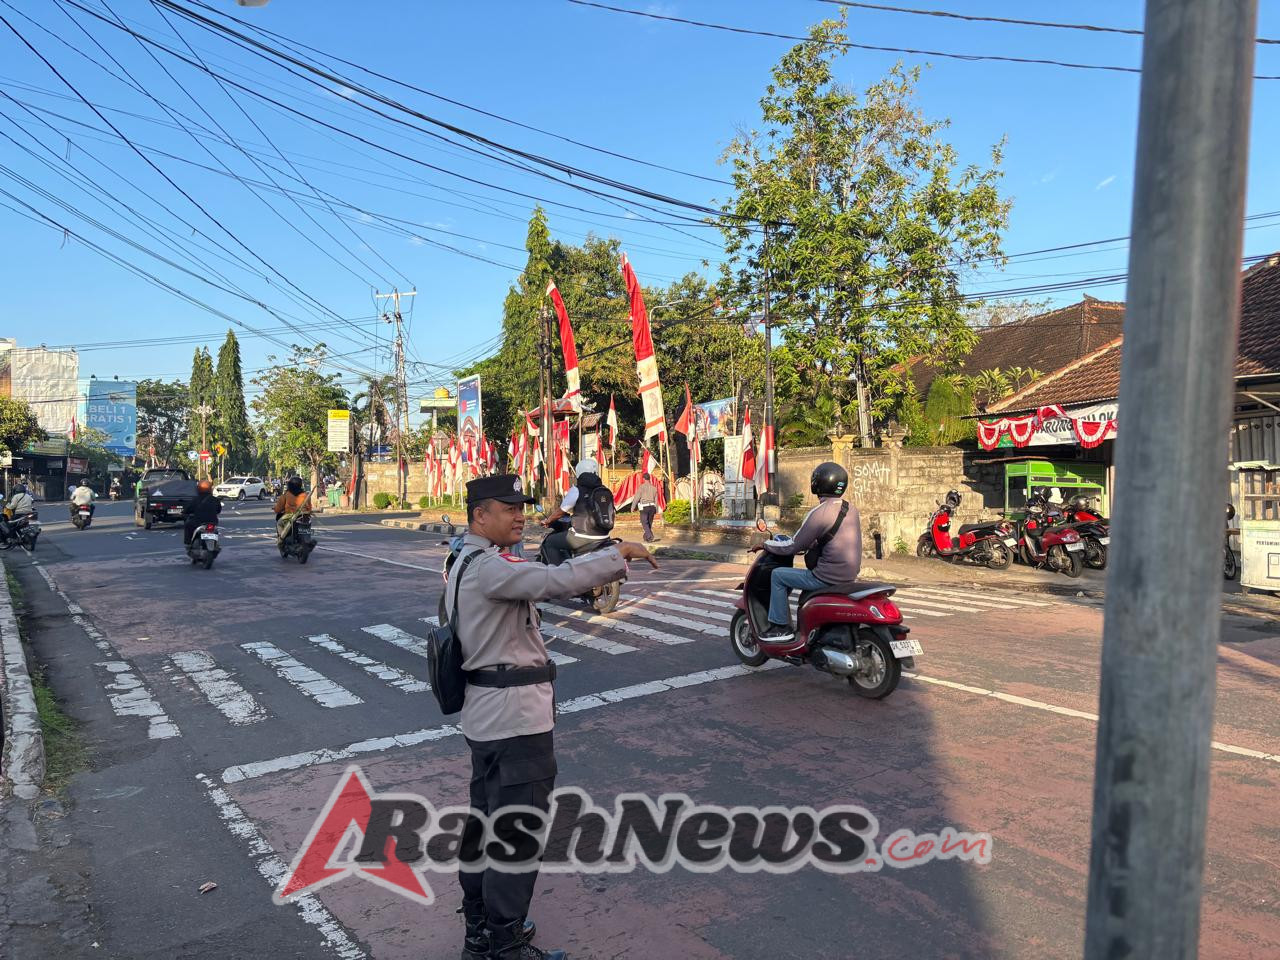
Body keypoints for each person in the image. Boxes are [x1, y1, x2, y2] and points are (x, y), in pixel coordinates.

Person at [448, 474, 656, 960]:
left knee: (486, 823)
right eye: (509, 508)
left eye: (523, 506)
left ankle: (481, 932)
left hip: (488, 719)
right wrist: (616, 554)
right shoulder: (489, 569)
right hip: (514, 720)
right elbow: (554, 580)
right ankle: (506, 942)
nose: (521, 514)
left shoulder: (464, 558)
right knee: (517, 833)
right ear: (481, 514)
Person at [752, 462, 862, 642]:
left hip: (826, 577)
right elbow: (830, 537)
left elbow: (793, 546)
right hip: (849, 576)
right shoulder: (850, 509)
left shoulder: (819, 512)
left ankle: (781, 627)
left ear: (817, 484)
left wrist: (765, 545)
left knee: (778, 575)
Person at [539, 458, 611, 566]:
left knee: (550, 542)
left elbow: (561, 511)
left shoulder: (577, 490)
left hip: (582, 535)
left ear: (579, 472)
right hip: (604, 536)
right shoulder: (605, 490)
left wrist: (548, 520)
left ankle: (559, 574)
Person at [273, 476, 311, 546]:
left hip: (291, 515)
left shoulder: (286, 494)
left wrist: (275, 509)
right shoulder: (305, 495)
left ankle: (282, 541)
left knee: (279, 523)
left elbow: (279, 507)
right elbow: (309, 507)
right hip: (304, 516)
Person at [182, 479, 222, 545]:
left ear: (198, 489)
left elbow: (187, 510)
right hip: (213, 522)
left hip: (198, 522)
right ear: (210, 489)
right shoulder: (215, 500)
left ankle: (188, 543)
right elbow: (218, 510)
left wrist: (184, 513)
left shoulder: (195, 500)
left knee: (187, 525)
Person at [636, 472, 660, 542]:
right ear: (649, 478)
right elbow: (656, 499)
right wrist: (656, 508)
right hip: (652, 506)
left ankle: (650, 536)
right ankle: (646, 537)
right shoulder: (654, 488)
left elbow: (637, 498)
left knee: (644, 522)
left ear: (643, 479)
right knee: (649, 523)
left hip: (644, 507)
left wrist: (632, 506)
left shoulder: (641, 487)